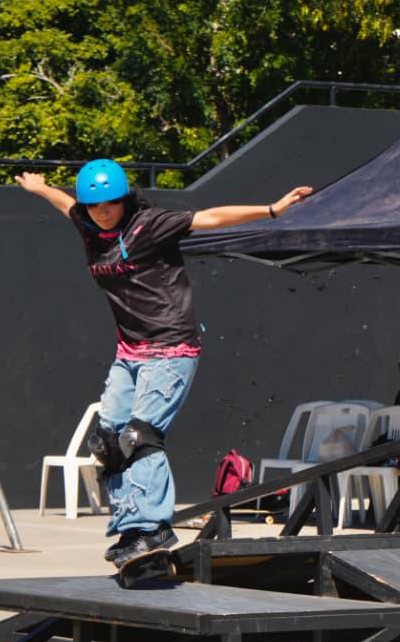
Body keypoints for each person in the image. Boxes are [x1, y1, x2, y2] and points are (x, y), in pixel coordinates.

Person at [16, 160, 311, 569]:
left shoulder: (149, 225)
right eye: (94, 206)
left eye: (110, 204)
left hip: (171, 348)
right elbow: (64, 203)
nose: (103, 212)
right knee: (108, 440)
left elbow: (208, 218)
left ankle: (152, 528)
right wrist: (40, 188)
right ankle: (131, 528)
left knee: (140, 437)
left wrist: (273, 210)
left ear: (124, 199)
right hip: (129, 352)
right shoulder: (87, 225)